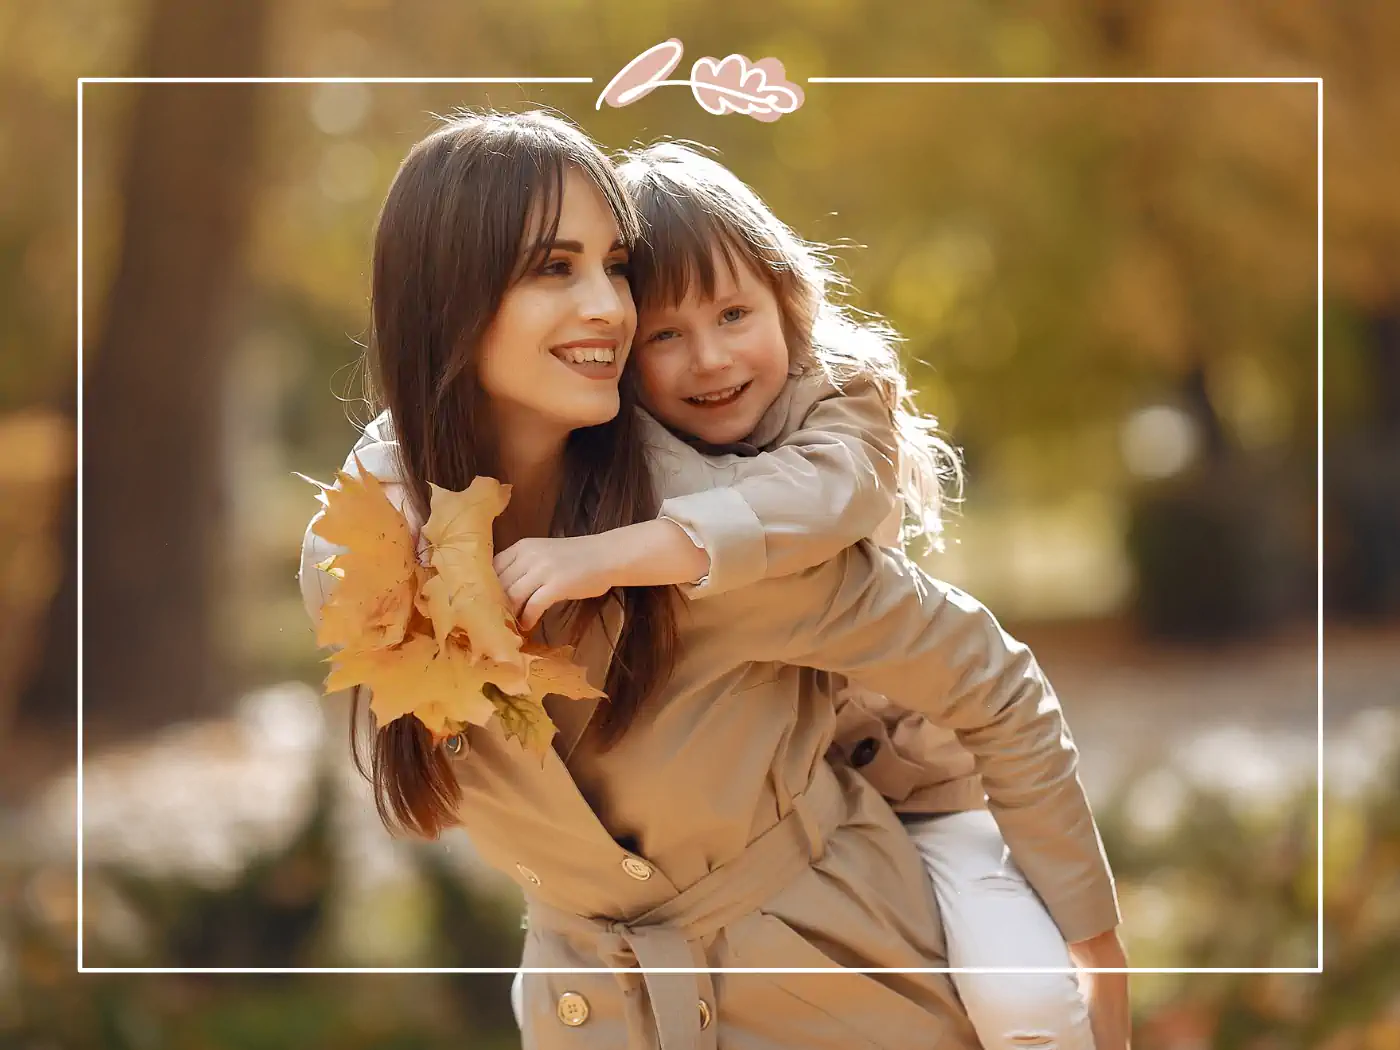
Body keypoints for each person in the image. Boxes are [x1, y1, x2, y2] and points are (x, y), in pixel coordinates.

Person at [299, 109, 1126, 1050]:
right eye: (554, 267)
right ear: (444, 300)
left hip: (848, 992)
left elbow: (989, 676)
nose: (611, 307)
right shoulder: (364, 563)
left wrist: (1094, 948)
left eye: (615, 266)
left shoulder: (711, 533)